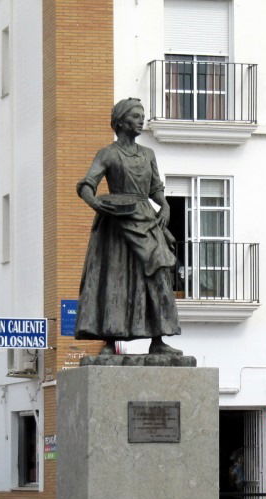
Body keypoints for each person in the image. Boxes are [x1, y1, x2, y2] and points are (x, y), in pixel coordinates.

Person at [75, 97, 182, 355]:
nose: (140, 120)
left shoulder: (148, 155)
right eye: (135, 116)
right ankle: (110, 341)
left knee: (157, 274)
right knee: (115, 278)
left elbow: (156, 188)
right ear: (121, 122)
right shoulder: (108, 153)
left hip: (144, 217)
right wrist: (96, 204)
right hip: (116, 222)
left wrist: (165, 205)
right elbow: (87, 184)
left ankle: (158, 339)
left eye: (142, 115)